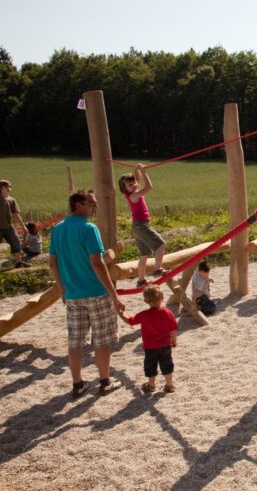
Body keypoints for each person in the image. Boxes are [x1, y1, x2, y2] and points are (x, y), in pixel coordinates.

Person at [49, 189, 124, 398]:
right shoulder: (89, 229)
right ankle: (105, 381)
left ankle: (78, 383)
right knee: (102, 340)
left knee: (75, 341)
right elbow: (97, 263)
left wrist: (62, 288)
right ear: (78, 204)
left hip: (73, 294)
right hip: (96, 292)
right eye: (91, 203)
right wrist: (113, 293)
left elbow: (52, 262)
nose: (95, 207)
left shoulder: (57, 230)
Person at [118, 284, 178, 393]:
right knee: (167, 364)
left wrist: (121, 314)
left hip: (150, 347)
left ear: (146, 301)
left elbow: (130, 321)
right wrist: (174, 340)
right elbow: (173, 328)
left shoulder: (144, 315)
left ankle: (151, 385)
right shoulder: (167, 312)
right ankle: (169, 385)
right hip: (165, 345)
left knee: (151, 365)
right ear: (162, 298)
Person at [118, 164, 166, 287]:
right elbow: (149, 187)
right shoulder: (134, 195)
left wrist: (138, 169)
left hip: (137, 227)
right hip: (141, 226)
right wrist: (144, 173)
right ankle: (157, 269)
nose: (134, 185)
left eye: (133, 183)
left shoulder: (132, 192)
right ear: (125, 189)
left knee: (144, 255)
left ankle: (140, 280)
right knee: (160, 245)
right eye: (130, 185)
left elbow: (137, 179)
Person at [0, 179, 31, 268]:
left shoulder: (11, 200)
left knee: (16, 242)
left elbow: (16, 214)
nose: (10, 188)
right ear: (2, 188)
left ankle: (18, 263)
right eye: (8, 186)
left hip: (9, 227)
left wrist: (23, 226)